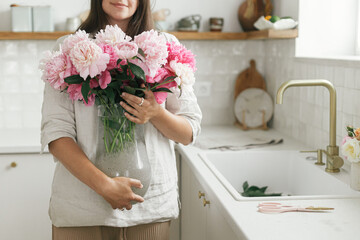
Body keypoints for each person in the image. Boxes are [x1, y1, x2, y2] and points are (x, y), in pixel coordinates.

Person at [40, 0, 202, 239]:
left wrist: (156, 113)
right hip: (82, 209)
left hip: (149, 207)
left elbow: (188, 132)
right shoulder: (68, 48)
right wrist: (105, 186)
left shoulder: (166, 46)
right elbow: (56, 133)